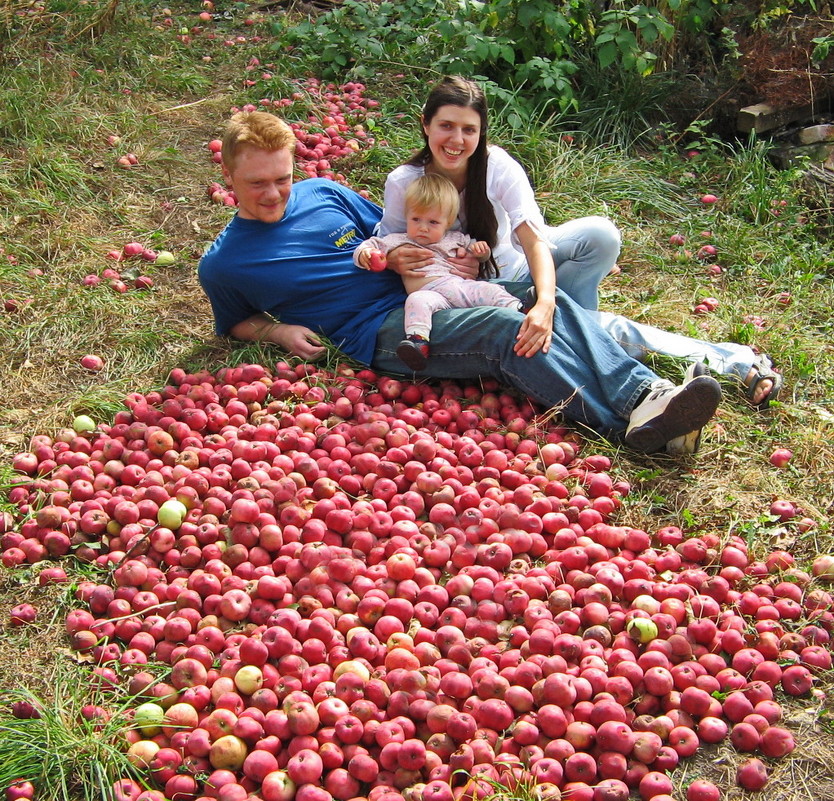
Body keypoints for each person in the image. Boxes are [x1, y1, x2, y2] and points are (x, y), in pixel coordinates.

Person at [198, 109, 723, 455]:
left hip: (439, 286)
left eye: (283, 177)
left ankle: (647, 396)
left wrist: (429, 256)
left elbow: (391, 232)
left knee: (545, 300)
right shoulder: (225, 264)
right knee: (501, 329)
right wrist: (277, 333)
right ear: (228, 176)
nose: (275, 194)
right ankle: (627, 426)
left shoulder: (322, 192)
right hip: (385, 330)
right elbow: (234, 323)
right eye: (257, 183)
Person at [378, 75, 782, 410]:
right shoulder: (405, 182)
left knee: (600, 236)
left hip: (518, 267)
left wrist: (546, 304)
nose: (456, 139)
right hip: (478, 292)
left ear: (482, 133)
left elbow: (533, 240)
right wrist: (399, 258)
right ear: (425, 125)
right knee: (595, 329)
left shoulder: (496, 165)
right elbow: (389, 244)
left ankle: (583, 330)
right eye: (446, 126)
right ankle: (736, 361)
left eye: (469, 129)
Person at [354, 173, 531, 371]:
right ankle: (417, 341)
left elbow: (477, 252)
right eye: (416, 219)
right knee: (416, 301)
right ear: (407, 216)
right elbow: (370, 244)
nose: (423, 228)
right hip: (432, 296)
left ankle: (517, 308)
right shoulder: (399, 240)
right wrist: (366, 254)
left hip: (458, 287)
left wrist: (482, 252)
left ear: (447, 223)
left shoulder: (454, 238)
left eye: (433, 222)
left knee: (487, 290)